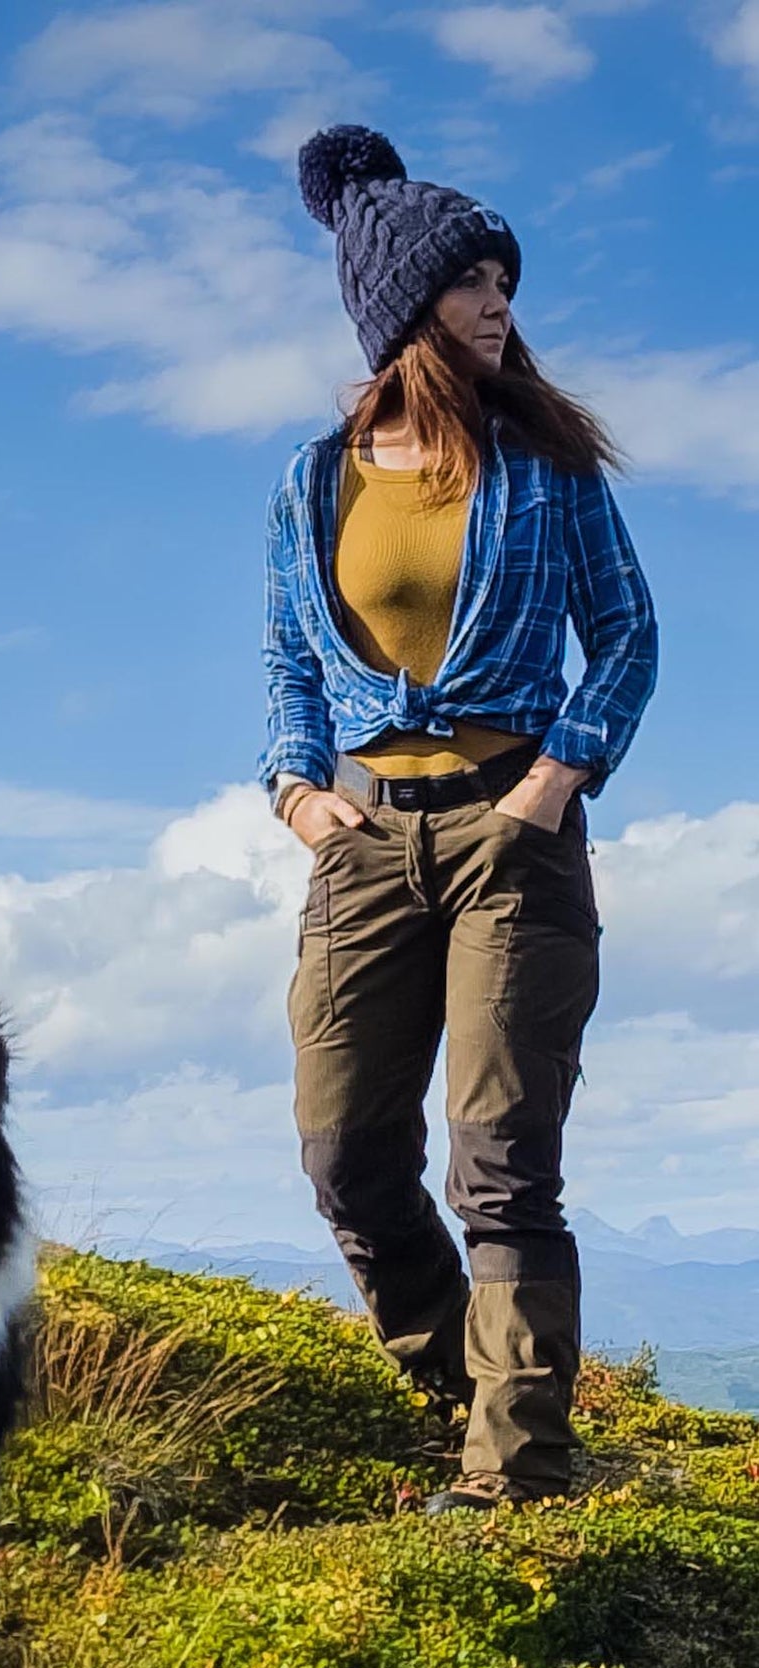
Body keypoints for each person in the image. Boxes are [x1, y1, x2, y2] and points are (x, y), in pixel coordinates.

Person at [261, 126, 658, 1514]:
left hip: (513, 834)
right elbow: (286, 669)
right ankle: (460, 1399)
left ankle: (518, 1482)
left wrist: (554, 785)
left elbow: (622, 639)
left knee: (499, 1159)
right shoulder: (314, 481)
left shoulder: (543, 466)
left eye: (503, 280)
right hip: (360, 843)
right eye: (472, 281)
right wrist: (300, 797)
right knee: (343, 1152)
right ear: (402, 306)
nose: (500, 303)